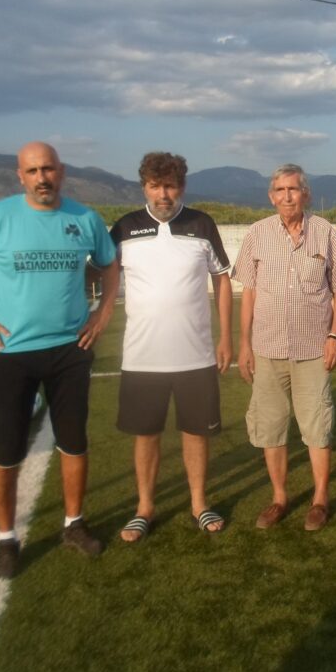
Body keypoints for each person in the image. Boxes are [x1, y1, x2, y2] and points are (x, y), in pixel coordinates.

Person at [0, 141, 118, 579]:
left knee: (74, 441)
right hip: (11, 351)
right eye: (32, 171)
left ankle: (74, 524)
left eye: (48, 169)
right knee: (6, 449)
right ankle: (6, 539)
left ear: (62, 171)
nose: (42, 178)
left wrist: (103, 312)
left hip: (70, 349)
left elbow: (110, 265)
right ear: (20, 176)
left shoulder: (84, 218)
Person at [110, 152, 233, 542]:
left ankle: (199, 503)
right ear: (144, 187)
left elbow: (222, 279)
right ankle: (144, 507)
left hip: (195, 355)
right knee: (146, 434)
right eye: (155, 186)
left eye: (170, 186)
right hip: (142, 357)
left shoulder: (201, 223)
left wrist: (226, 337)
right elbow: (106, 277)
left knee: (196, 433)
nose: (163, 194)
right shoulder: (125, 227)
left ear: (182, 186)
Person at [234, 164, 336, 531]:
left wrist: (334, 336)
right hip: (267, 348)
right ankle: (279, 498)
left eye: (294, 189)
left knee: (317, 425)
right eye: (280, 190)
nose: (287, 196)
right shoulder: (257, 234)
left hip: (313, 348)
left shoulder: (325, 232)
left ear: (306, 194)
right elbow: (248, 292)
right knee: (271, 427)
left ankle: (320, 499)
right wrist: (244, 343)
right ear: (271, 196)